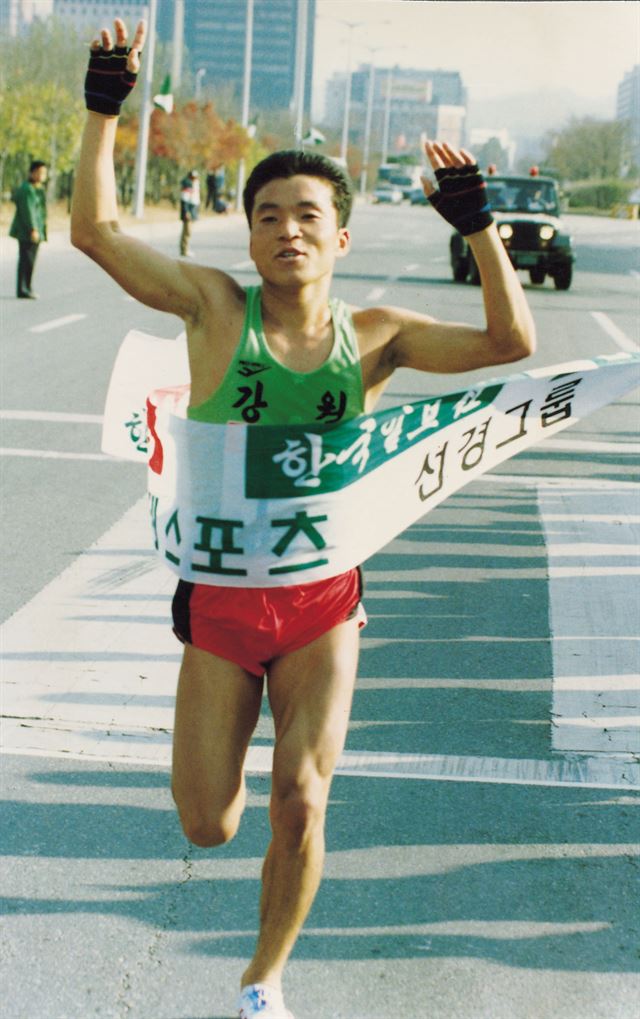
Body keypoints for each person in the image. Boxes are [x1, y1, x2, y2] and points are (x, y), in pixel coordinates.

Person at [71, 19, 536, 1019]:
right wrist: (103, 109)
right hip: (221, 606)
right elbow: (95, 234)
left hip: (322, 602)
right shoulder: (212, 309)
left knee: (304, 797)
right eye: (270, 213)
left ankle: (262, 979)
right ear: (248, 237)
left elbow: (509, 339)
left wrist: (480, 226)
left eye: (308, 214)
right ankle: (242, 883)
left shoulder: (377, 338)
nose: (289, 228)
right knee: (209, 823)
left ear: (340, 235)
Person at [10, 160, 48, 299]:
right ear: (32, 172)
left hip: (34, 230)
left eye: (44, 172)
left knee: (29, 260)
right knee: (26, 259)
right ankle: (23, 289)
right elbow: (29, 210)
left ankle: (27, 287)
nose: (42, 175)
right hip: (27, 231)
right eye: (39, 172)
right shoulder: (27, 189)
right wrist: (33, 229)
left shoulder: (37, 188)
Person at [179, 169, 200, 256]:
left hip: (193, 209)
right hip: (189, 210)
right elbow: (184, 200)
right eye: (193, 177)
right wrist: (186, 211)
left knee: (189, 231)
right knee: (187, 231)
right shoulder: (187, 185)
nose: (194, 179)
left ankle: (185, 249)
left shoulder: (195, 184)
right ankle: (184, 250)